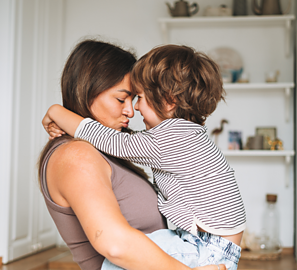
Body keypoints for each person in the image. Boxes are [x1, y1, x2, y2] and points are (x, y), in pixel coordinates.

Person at [43, 44, 245, 270]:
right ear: (87, 90)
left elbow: (112, 141)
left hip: (206, 249)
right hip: (208, 247)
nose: (134, 109)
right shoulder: (77, 155)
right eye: (122, 99)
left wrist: (56, 112)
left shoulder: (173, 139)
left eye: (138, 98)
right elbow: (117, 245)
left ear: (169, 101)